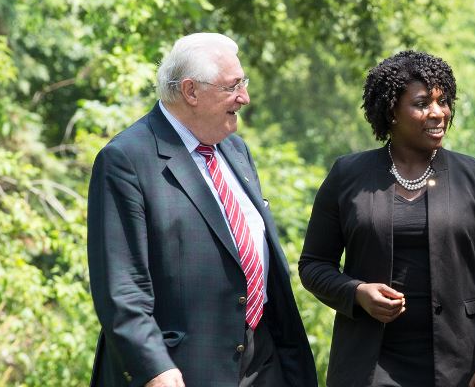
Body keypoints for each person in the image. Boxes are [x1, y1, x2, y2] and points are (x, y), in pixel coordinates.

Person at [87, 32, 318, 387]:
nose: (245, 97)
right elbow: (122, 287)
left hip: (264, 363)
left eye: (243, 83)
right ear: (191, 91)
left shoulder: (235, 150)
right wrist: (154, 368)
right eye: (233, 86)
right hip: (181, 371)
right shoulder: (127, 159)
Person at [298, 50, 475, 386]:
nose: (438, 113)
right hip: (369, 366)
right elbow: (313, 265)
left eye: (444, 102)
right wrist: (357, 292)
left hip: (458, 364)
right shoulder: (348, 175)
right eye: (422, 103)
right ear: (391, 111)